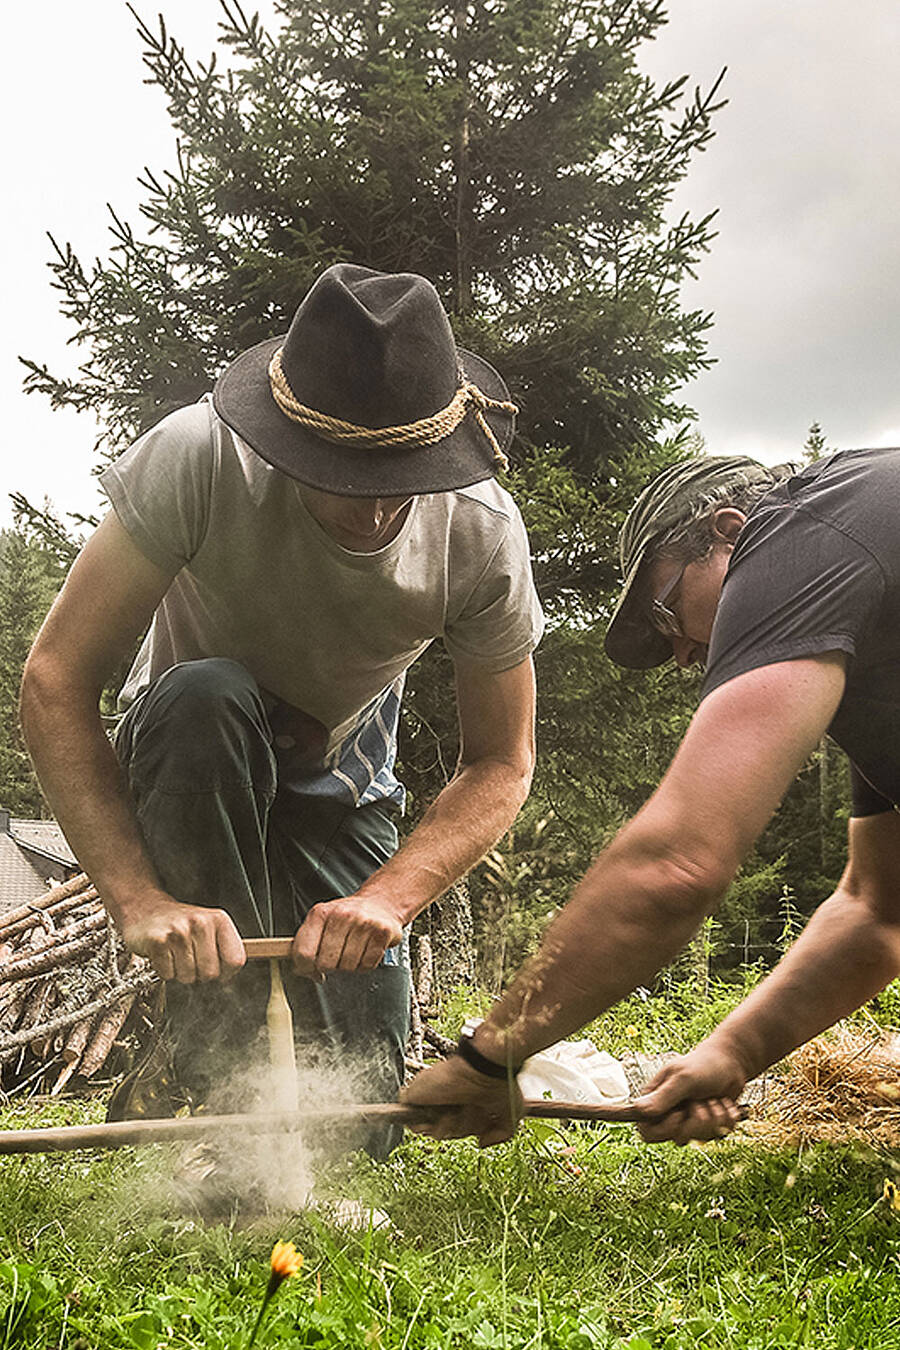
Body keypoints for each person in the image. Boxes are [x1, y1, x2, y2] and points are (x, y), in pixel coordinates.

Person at [21, 264, 543, 1151]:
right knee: (208, 695)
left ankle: (255, 1074)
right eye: (346, 474)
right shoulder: (196, 457)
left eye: (404, 476)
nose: (378, 509)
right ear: (282, 441)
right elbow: (56, 680)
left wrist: (390, 896)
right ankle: (209, 1077)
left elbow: (502, 762)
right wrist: (138, 899)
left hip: (341, 773)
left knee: (358, 1129)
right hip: (190, 747)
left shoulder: (482, 533)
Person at [403, 449, 900, 1146]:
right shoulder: (876, 648)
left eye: (668, 613)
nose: (685, 656)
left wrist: (490, 1055)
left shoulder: (798, 534)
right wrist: (734, 1052)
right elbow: (878, 909)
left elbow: (679, 867)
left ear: (727, 533)